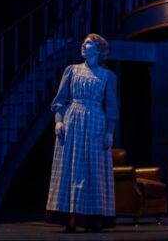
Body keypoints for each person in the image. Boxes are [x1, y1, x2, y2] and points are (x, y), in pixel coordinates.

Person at [45, 33, 119, 233]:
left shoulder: (108, 76)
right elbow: (59, 100)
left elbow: (112, 107)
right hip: (73, 120)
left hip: (96, 121)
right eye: (84, 42)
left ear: (98, 49)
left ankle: (92, 219)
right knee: (71, 168)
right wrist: (58, 122)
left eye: (88, 43)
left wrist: (109, 132)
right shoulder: (72, 70)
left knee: (93, 170)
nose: (83, 45)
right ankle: (69, 218)